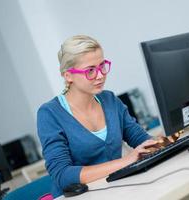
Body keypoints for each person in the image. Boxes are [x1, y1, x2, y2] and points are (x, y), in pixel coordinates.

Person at [37, 35, 159, 198]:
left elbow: (140, 138)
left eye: (102, 66)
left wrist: (162, 143)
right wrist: (127, 160)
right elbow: (62, 176)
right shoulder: (50, 114)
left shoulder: (109, 100)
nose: (100, 75)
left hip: (118, 189)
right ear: (68, 75)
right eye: (90, 70)